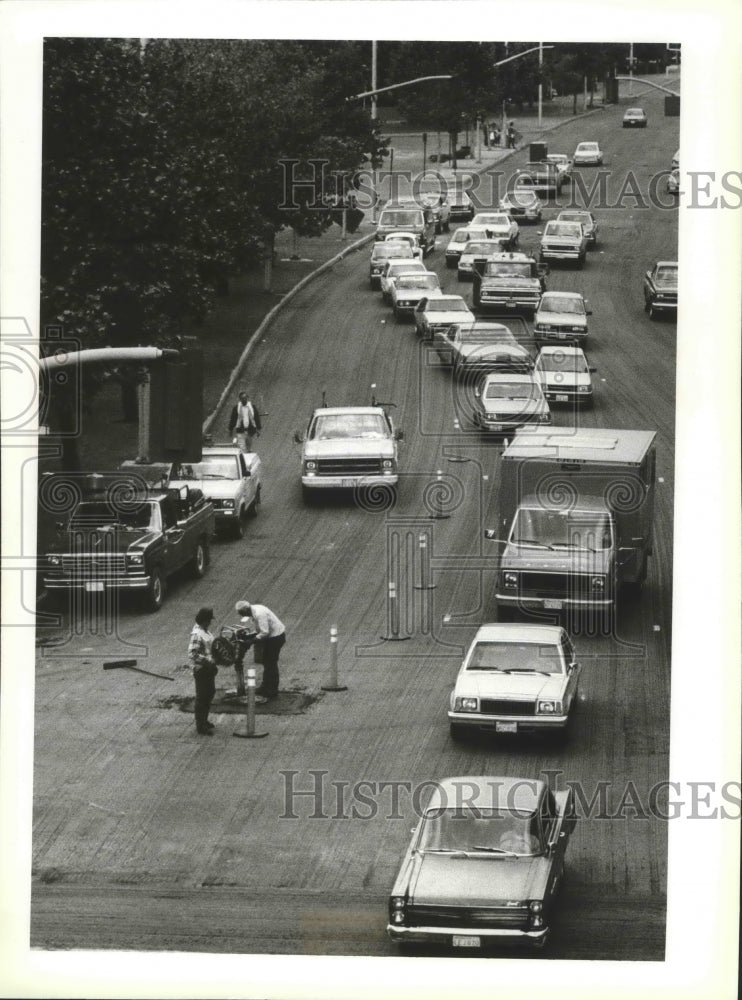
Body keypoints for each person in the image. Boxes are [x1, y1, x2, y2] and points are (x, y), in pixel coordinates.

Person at [235, 600, 286, 700]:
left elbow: (264, 632)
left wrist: (251, 641)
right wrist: (250, 636)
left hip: (275, 637)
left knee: (271, 663)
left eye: (242, 613)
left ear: (246, 610)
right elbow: (259, 630)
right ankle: (265, 686)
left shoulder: (259, 614)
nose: (242, 616)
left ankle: (272, 690)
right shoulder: (254, 611)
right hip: (271, 637)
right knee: (267, 662)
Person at [188, 606, 218, 735]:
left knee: (209, 694)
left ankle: (204, 720)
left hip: (209, 669)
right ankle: (200, 726)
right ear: (204, 620)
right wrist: (207, 660)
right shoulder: (197, 634)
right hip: (201, 670)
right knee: (202, 697)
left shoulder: (205, 631)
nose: (210, 622)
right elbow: (192, 653)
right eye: (209, 620)